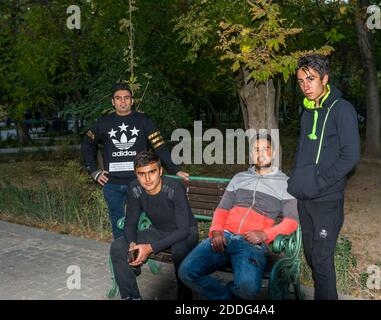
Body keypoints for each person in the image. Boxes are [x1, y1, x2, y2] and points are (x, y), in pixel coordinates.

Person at [178, 133, 299, 300]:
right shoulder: (239, 178)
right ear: (251, 154)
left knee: (247, 289)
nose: (261, 153)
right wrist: (216, 231)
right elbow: (222, 209)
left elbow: (292, 222)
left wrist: (265, 235)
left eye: (266, 149)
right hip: (224, 237)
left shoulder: (286, 183)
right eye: (256, 149)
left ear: (274, 153)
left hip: (251, 243)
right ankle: (229, 299)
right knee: (186, 272)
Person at [287, 54, 360, 300]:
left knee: (321, 260)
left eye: (310, 79)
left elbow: (350, 156)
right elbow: (301, 149)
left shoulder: (342, 109)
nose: (305, 85)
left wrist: (321, 182)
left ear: (325, 78)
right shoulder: (307, 111)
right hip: (304, 196)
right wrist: (294, 179)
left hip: (327, 199)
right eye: (300, 81)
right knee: (310, 256)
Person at [81, 83, 188, 239]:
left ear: (132, 101)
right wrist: (94, 171)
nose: (122, 102)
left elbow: (159, 146)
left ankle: (144, 253)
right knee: (118, 225)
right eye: (118, 98)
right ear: (113, 101)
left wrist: (175, 169)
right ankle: (123, 256)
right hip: (112, 185)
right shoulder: (103, 122)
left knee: (146, 224)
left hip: (140, 183)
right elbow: (87, 144)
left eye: (126, 98)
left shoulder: (144, 120)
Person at [110, 151, 198, 300]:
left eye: (152, 172)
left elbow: (183, 230)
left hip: (186, 232)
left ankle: (184, 298)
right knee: (118, 246)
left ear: (160, 171)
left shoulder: (174, 188)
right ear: (136, 174)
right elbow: (130, 223)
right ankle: (131, 297)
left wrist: (149, 248)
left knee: (179, 250)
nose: (147, 178)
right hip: (159, 230)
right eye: (141, 174)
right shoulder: (135, 188)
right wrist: (132, 244)